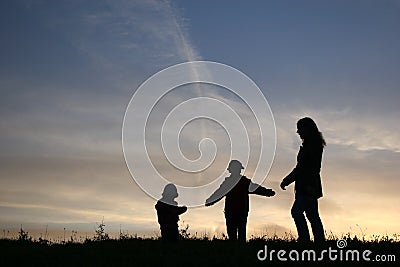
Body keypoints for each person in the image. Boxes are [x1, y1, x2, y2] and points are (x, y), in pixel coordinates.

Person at [280, 117, 326, 243]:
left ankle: (305, 239)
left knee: (297, 212)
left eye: (300, 129)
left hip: (308, 185)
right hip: (308, 185)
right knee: (312, 215)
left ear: (307, 129)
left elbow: (303, 168)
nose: (298, 132)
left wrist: (287, 180)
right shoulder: (311, 145)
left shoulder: (312, 146)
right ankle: (319, 242)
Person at [205, 160, 275, 242]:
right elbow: (256, 188)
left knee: (233, 233)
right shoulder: (244, 182)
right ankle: (240, 250)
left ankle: (236, 249)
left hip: (232, 211)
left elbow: (219, 193)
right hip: (240, 210)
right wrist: (268, 192)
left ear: (230, 170)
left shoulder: (230, 182)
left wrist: (210, 201)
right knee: (241, 232)